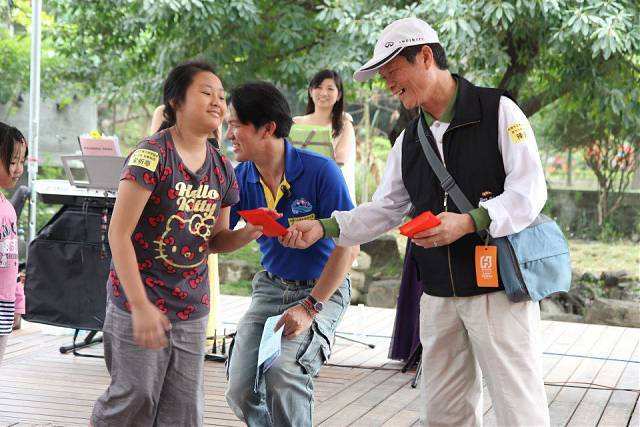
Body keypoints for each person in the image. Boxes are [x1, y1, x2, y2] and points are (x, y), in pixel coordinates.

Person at [281, 17, 550, 427]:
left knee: (519, 406)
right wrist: (324, 227)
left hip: (497, 289)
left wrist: (469, 222)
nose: (389, 84)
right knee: (443, 412)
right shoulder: (410, 139)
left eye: (393, 71)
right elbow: (385, 208)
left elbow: (529, 192)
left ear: (425, 56)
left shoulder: (498, 112)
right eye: (384, 76)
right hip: (438, 292)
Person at [91, 60, 244, 426]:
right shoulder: (151, 155)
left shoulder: (222, 166)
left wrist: (253, 231)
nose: (217, 102)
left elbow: (215, 240)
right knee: (134, 399)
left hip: (192, 308)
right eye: (206, 92)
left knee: (183, 412)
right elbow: (118, 233)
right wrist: (140, 305)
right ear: (176, 101)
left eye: (221, 96)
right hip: (138, 302)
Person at [207, 81, 354, 426]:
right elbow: (217, 241)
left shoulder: (321, 171)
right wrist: (249, 231)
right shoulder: (239, 177)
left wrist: (310, 307)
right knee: (240, 391)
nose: (228, 134)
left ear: (267, 128)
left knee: (283, 374)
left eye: (236, 125)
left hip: (321, 289)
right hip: (270, 288)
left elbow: (350, 246)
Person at [293, 69, 357, 203]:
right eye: (319, 87)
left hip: (331, 191)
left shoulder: (345, 124)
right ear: (310, 91)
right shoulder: (295, 123)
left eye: (330, 89)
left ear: (339, 95)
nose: (323, 93)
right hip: (299, 192)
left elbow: (340, 159)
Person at [0, 123, 27, 366]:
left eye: (22, 161)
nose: (19, 169)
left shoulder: (7, 208)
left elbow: (12, 259)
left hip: (4, 306)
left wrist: (18, 300)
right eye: (12, 161)